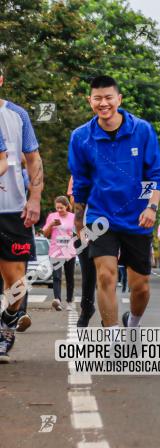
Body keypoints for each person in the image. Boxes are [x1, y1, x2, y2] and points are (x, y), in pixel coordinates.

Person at [68, 75, 160, 329]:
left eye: (108, 97)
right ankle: (112, 334)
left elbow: (157, 174)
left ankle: (132, 322)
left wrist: (152, 207)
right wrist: (79, 222)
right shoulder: (81, 137)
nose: (103, 103)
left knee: (141, 286)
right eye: (97, 98)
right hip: (100, 217)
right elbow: (81, 183)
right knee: (105, 276)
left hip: (137, 218)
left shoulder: (141, 130)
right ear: (90, 100)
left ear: (119, 99)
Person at [0, 67, 44, 362]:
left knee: (15, 280)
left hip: (13, 208)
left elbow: (33, 158)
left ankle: (8, 324)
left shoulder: (17, 115)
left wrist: (35, 198)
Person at [67, 177, 98, 327]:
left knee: (107, 272)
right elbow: (74, 202)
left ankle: (109, 317)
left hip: (106, 228)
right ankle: (86, 309)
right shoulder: (78, 173)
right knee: (89, 272)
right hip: (82, 228)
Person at [42, 196, 77, 311]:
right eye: (57, 208)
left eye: (61, 208)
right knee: (56, 276)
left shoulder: (73, 217)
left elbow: (79, 232)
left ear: (67, 206)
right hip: (55, 251)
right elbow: (45, 234)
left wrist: (73, 235)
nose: (59, 210)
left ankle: (69, 301)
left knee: (69, 277)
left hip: (69, 250)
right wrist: (51, 224)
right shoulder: (52, 216)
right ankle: (57, 300)